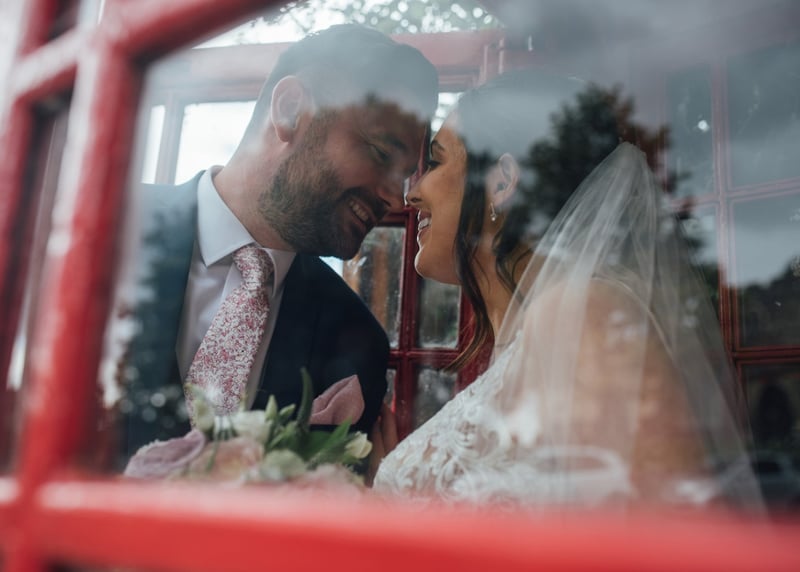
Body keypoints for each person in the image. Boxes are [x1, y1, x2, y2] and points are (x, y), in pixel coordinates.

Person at [371, 69, 762, 510]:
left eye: (437, 162)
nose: (413, 194)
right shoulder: (534, 335)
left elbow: (680, 533)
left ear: (501, 182)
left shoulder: (582, 311)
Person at [119, 24, 439, 460]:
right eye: (382, 154)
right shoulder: (107, 226)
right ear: (290, 111)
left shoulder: (357, 341)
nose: (394, 198)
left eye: (403, 177)